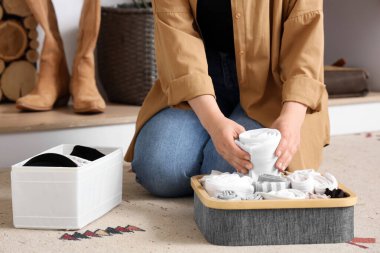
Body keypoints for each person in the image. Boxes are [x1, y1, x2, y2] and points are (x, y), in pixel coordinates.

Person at [125, 0, 330, 197]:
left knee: (231, 168)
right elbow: (177, 41)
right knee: (159, 171)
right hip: (199, 81)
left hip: (272, 85)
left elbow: (305, 39)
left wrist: (291, 118)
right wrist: (213, 122)